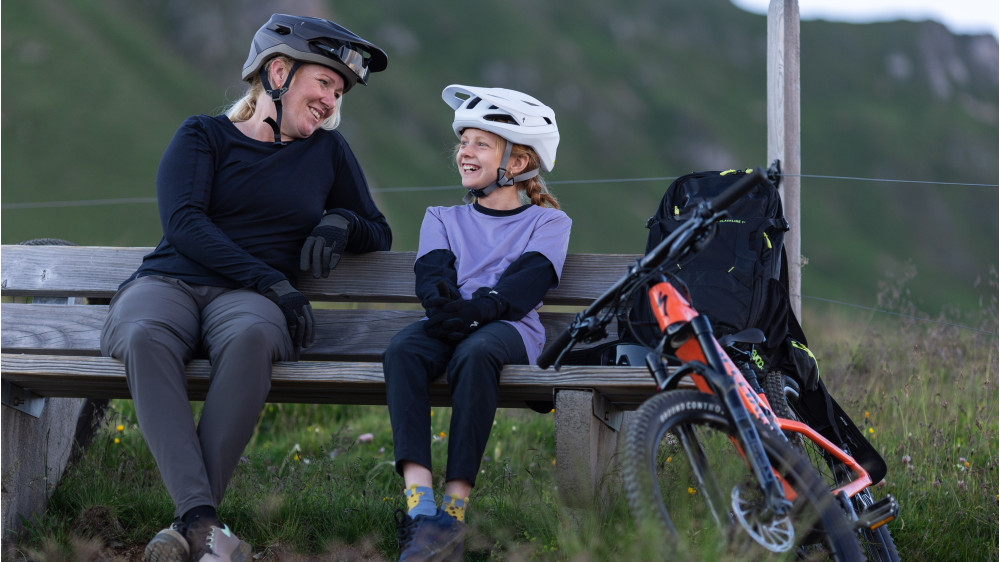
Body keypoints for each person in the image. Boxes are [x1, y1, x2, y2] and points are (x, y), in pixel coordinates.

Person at [100, 14, 391, 562]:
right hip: (172, 281)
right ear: (277, 71)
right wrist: (272, 279)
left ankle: (188, 529)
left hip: (251, 304)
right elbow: (185, 223)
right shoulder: (202, 135)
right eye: (324, 82)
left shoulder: (328, 152)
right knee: (142, 334)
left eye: (339, 91)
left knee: (255, 338)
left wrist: (341, 223)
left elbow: (377, 228)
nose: (332, 100)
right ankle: (206, 526)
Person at [384, 84, 571, 561]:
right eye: (463, 142)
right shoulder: (442, 216)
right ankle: (419, 509)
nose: (465, 152)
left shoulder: (548, 223)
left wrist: (476, 311)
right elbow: (433, 272)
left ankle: (454, 512)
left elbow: (524, 286)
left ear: (519, 163)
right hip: (452, 322)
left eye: (480, 144)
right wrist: (444, 307)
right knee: (402, 350)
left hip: (507, 330)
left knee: (478, 351)